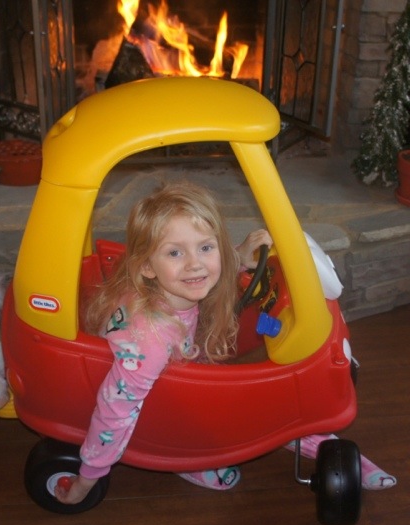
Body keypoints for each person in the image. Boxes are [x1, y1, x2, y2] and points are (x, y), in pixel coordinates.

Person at [55, 182, 272, 505]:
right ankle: (184, 459)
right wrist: (86, 480)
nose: (195, 264)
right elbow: (115, 411)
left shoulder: (172, 284)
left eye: (206, 247)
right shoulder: (150, 339)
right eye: (174, 252)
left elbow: (203, 266)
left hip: (160, 371)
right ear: (146, 266)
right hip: (151, 404)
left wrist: (238, 256)